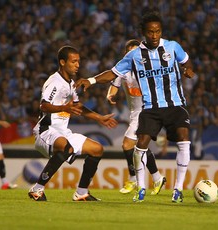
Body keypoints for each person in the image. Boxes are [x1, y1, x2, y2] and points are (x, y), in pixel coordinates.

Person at [76, 11, 196, 203]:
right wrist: (91, 80)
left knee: (184, 139)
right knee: (139, 145)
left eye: (157, 31)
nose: (154, 35)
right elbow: (112, 73)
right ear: (143, 32)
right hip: (150, 108)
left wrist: (189, 70)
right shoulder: (134, 55)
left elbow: (187, 62)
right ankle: (141, 187)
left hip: (175, 104)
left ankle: (178, 189)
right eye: (150, 32)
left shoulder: (173, 47)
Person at [28, 45, 118, 202]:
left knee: (97, 149)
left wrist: (99, 118)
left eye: (78, 61)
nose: (77, 65)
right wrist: (64, 107)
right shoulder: (54, 81)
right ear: (62, 62)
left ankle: (81, 192)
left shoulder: (71, 83)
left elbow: (77, 107)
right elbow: (43, 105)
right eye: (74, 61)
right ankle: (37, 189)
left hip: (63, 132)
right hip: (46, 131)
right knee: (66, 147)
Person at [106, 39, 166, 195]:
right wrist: (110, 95)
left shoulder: (147, 68)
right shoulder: (123, 70)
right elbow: (114, 85)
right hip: (135, 114)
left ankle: (133, 179)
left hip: (146, 112)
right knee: (141, 146)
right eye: (130, 52)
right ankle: (157, 177)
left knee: (127, 145)